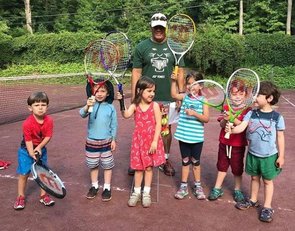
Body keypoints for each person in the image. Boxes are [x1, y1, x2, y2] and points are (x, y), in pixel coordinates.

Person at [130, 12, 185, 176]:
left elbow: (180, 72)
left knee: (165, 130)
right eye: (156, 27)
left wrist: (180, 95)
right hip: (145, 100)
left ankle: (164, 160)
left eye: (161, 27)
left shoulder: (175, 47)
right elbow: (136, 73)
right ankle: (138, 159)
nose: (158, 30)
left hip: (167, 98)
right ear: (151, 28)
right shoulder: (141, 47)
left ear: (166, 28)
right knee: (142, 130)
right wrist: (134, 98)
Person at [225, 81, 285, 223]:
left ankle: (267, 206)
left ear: (269, 98)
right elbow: (242, 128)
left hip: (269, 156)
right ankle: (252, 200)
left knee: (268, 181)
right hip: (253, 153)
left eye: (258, 94)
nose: (254, 97)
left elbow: (280, 137)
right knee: (254, 178)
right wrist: (232, 130)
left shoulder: (277, 117)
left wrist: (281, 156)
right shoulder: (251, 113)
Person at [117, 76, 165, 208]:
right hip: (138, 142)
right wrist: (121, 103)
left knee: (149, 168)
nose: (152, 94)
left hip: (150, 142)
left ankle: (146, 193)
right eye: (149, 91)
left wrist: (155, 141)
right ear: (140, 90)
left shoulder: (155, 106)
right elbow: (126, 115)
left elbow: (159, 125)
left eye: (153, 91)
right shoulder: (135, 105)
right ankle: (136, 192)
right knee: (138, 168)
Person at [208, 79, 251, 202]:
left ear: (245, 95)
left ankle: (237, 190)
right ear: (229, 95)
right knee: (222, 166)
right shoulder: (226, 107)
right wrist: (226, 119)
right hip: (224, 142)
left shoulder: (248, 110)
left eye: (240, 94)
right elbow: (221, 124)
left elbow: (244, 126)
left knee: (237, 168)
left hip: (238, 144)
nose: (237, 97)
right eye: (234, 94)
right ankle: (217, 188)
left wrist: (232, 118)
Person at [171, 71, 209, 200]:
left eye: (194, 84)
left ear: (200, 86)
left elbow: (206, 118)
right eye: (188, 84)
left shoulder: (204, 100)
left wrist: (194, 114)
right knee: (185, 161)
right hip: (183, 136)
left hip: (197, 137)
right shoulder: (184, 97)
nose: (190, 86)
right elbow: (173, 94)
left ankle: (198, 186)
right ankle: (183, 186)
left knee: (196, 162)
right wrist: (173, 81)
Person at [14, 92, 55, 210]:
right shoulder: (27, 123)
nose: (40, 107)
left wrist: (39, 148)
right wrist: (32, 152)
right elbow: (28, 140)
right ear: (30, 108)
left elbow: (48, 136)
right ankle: (20, 197)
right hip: (26, 150)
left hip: (40, 149)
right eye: (37, 105)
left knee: (43, 173)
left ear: (47, 106)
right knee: (24, 174)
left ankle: (43, 195)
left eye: (43, 104)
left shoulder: (49, 120)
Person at [80, 80, 118, 202]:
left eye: (103, 91)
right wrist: (87, 105)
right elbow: (82, 114)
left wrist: (113, 139)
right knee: (93, 164)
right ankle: (94, 186)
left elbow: (114, 125)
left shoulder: (111, 108)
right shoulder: (91, 104)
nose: (99, 93)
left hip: (106, 141)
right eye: (96, 91)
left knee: (107, 165)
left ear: (108, 93)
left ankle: (107, 187)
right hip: (92, 141)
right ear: (92, 92)